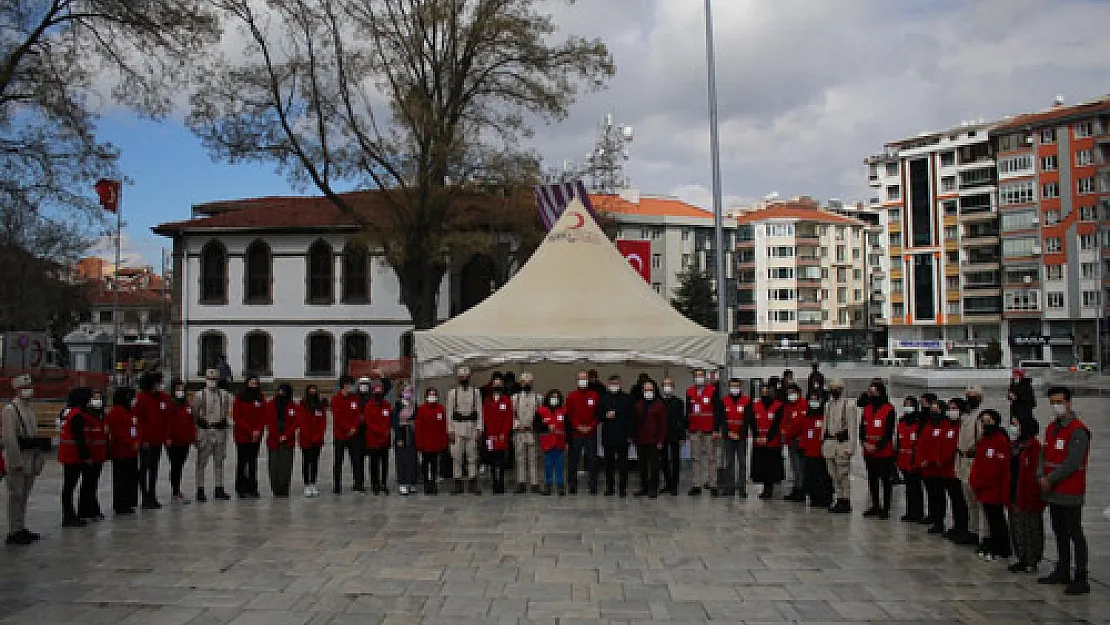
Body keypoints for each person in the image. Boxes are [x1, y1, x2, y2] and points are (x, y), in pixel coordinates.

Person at [1037, 386, 1091, 595]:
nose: (1056, 406)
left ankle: (1081, 575)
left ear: (1069, 403)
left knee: (1074, 533)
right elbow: (1044, 452)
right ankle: (1062, 569)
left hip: (1069, 490)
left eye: (1060, 402)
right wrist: (1041, 474)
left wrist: (1050, 479)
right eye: (1053, 402)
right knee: (1059, 531)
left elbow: (1072, 463)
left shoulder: (1078, 430)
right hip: (1052, 491)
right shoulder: (1052, 427)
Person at [3, 375, 45, 544]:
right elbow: (9, 439)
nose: (29, 389)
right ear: (17, 389)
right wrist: (15, 462)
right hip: (19, 457)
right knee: (16, 495)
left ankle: (21, 526)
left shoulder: (29, 408)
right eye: (25, 386)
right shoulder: (10, 410)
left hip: (30, 456)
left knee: (24, 495)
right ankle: (14, 530)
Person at [969, 408, 1011, 562]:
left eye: (989, 421)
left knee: (997, 519)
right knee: (990, 518)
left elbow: (999, 467)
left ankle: (1002, 547)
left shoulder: (1000, 440)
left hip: (994, 488)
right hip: (983, 487)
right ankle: (993, 544)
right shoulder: (984, 439)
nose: (986, 424)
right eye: (983, 421)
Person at [1008, 413, 1044, 574]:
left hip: (1028, 493)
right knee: (1016, 525)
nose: (1013, 427)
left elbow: (1035, 472)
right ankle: (1021, 557)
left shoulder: (1034, 446)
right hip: (1014, 489)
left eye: (1016, 424)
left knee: (1031, 527)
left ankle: (1032, 559)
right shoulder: (1014, 445)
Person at [191, 368, 233, 502]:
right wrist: (198, 426)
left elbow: (227, 410)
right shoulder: (199, 395)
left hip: (219, 430)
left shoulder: (224, 394)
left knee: (219, 461)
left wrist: (224, 422)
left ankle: (219, 487)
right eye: (210, 379)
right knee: (201, 462)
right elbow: (194, 413)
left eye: (214, 379)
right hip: (205, 431)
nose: (212, 382)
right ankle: (200, 488)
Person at [59, 388, 97, 527]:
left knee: (68, 487)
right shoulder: (77, 415)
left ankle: (68, 515)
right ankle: (69, 516)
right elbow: (79, 438)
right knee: (70, 486)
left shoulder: (67, 411)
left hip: (66, 452)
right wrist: (86, 456)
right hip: (73, 454)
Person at [859, 381, 896, 519]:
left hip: (883, 452)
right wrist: (864, 443)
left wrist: (877, 446)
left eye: (873, 391)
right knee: (872, 479)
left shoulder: (889, 409)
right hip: (869, 451)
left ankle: (886, 508)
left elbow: (888, 432)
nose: (871, 394)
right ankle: (875, 505)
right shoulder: (867, 409)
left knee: (885, 480)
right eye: (870, 391)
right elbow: (862, 428)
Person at [134, 372, 170, 509]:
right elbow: (138, 421)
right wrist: (142, 439)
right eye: (157, 383)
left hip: (157, 439)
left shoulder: (163, 398)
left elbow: (166, 419)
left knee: (154, 468)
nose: (160, 385)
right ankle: (145, 496)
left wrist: (166, 437)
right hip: (146, 440)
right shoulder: (141, 399)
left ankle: (152, 494)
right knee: (144, 468)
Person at [446, 366, 482, 495]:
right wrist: (450, 430)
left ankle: (473, 483)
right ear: (458, 378)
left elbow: (479, 411)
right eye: (462, 377)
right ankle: (458, 484)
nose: (464, 379)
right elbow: (449, 412)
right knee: (457, 457)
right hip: (457, 427)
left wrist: (479, 428)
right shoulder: (452, 393)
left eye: (466, 377)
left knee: (472, 457)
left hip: (471, 427)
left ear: (470, 377)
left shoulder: (475, 392)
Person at [958, 387, 985, 549]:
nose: (969, 399)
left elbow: (981, 439)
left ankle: (984, 534)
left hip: (973, 461)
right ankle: (972, 531)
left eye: (973, 397)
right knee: (969, 501)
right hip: (963, 461)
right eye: (968, 396)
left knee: (978, 501)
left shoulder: (980, 417)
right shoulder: (966, 416)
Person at [105, 386, 140, 515]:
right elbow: (118, 432)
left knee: (130, 477)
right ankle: (120, 504)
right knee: (121, 478)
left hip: (132, 450)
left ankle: (129, 501)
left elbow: (136, 427)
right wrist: (131, 442)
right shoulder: (115, 412)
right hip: (120, 450)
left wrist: (137, 441)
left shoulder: (130, 411)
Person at [598, 374, 634, 497]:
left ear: (620, 384)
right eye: (612, 383)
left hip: (623, 436)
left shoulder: (627, 398)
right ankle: (609, 487)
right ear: (608, 384)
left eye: (616, 383)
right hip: (608, 436)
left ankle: (622, 488)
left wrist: (630, 434)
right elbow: (598, 416)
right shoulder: (603, 398)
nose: (614, 385)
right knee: (609, 465)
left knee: (623, 465)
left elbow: (631, 418)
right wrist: (605, 416)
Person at [565, 370, 600, 495]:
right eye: (580, 378)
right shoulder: (571, 396)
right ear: (577, 381)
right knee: (573, 460)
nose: (583, 381)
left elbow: (597, 414)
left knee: (592, 460)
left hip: (591, 433)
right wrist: (578, 426)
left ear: (588, 380)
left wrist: (590, 426)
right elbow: (569, 415)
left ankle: (593, 484)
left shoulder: (594, 395)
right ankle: (572, 484)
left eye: (585, 378)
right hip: (576, 434)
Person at [822, 380, 854, 513]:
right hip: (830, 444)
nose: (834, 390)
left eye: (836, 388)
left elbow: (852, 428)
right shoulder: (828, 405)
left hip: (842, 444)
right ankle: (839, 498)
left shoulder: (849, 405)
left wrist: (851, 448)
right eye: (832, 388)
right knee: (833, 474)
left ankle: (845, 500)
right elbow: (825, 424)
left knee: (843, 474)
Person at [939, 398, 969, 541]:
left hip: (956, 468)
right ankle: (957, 525)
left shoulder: (962, 426)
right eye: (950, 408)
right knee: (953, 499)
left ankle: (963, 527)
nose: (951, 411)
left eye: (954, 408)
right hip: (945, 469)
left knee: (960, 500)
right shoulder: (946, 425)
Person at [685, 368, 718, 496]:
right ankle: (696, 485)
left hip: (709, 429)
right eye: (697, 375)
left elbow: (717, 410)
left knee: (711, 458)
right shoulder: (689, 391)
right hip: (694, 429)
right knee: (696, 458)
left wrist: (716, 429)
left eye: (701, 375)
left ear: (705, 377)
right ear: (694, 377)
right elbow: (688, 411)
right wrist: (688, 428)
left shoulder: (712, 390)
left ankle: (713, 484)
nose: (699, 377)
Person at [77, 388, 108, 521]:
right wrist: (86, 455)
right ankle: (86, 510)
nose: (97, 401)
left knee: (93, 483)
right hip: (90, 455)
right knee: (88, 483)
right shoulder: (86, 416)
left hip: (100, 454)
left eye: (99, 398)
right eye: (94, 398)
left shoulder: (102, 416)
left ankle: (92, 509)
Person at [797, 388, 832, 508]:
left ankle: (825, 497)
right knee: (810, 476)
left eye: (815, 400)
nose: (813, 402)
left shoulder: (824, 417)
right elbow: (802, 432)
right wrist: (802, 447)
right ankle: (813, 496)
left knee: (823, 476)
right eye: (811, 400)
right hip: (809, 451)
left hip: (821, 452)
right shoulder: (807, 417)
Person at [233, 375, 266, 499]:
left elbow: (264, 415)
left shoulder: (261, 397)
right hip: (242, 435)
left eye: (255, 383)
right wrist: (250, 430)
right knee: (242, 462)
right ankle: (241, 488)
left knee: (253, 462)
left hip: (256, 435)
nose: (253, 385)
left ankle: (252, 487)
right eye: (251, 383)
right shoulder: (240, 397)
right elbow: (237, 416)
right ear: (247, 383)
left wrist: (258, 430)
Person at [750, 383, 785, 499]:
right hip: (759, 441)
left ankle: (769, 489)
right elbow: (752, 422)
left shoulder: (778, 406)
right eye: (763, 391)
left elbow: (777, 424)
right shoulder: (755, 405)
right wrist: (757, 436)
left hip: (772, 442)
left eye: (767, 390)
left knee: (771, 467)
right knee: (761, 466)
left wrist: (767, 438)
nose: (765, 393)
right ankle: (764, 488)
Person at [330, 375, 363, 494]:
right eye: (348, 384)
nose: (350, 387)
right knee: (338, 461)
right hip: (340, 434)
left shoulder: (355, 398)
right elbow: (337, 417)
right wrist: (348, 428)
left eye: (351, 384)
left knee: (356, 459)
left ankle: (358, 484)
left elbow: (358, 414)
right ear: (343, 385)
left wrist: (354, 428)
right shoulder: (335, 399)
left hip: (353, 434)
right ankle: (337, 485)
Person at [165, 379, 197, 504]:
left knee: (180, 465)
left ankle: (177, 489)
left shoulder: (186, 405)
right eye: (178, 389)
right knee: (175, 465)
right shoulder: (170, 404)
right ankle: (175, 491)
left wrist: (192, 437)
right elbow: (167, 422)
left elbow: (191, 421)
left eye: (182, 389)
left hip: (185, 440)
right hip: (173, 441)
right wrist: (168, 437)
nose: (180, 392)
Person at [633, 380, 666, 498]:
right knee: (642, 466)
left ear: (654, 390)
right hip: (641, 440)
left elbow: (663, 425)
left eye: (650, 390)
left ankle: (653, 488)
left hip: (654, 441)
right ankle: (644, 487)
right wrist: (634, 438)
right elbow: (635, 423)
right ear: (642, 391)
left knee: (654, 466)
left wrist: (660, 441)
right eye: (646, 390)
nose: (648, 392)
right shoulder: (638, 404)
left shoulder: (659, 404)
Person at [717, 378, 750, 498]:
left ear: (740, 386)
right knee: (729, 463)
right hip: (728, 437)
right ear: (729, 387)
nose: (734, 388)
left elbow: (747, 420)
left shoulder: (746, 401)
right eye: (732, 386)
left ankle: (742, 487)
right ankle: (729, 487)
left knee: (742, 463)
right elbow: (722, 419)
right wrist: (728, 432)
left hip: (741, 438)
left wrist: (739, 434)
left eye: (736, 386)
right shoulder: (724, 401)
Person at [511, 372, 542, 494]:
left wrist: (536, 425)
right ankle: (521, 483)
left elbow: (541, 415)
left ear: (532, 383)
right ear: (521, 383)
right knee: (520, 458)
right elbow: (511, 415)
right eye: (524, 382)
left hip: (532, 432)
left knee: (533, 458)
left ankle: (534, 483)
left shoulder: (538, 397)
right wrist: (518, 425)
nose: (527, 383)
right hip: (519, 432)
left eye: (529, 382)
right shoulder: (515, 398)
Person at [895, 397, 925, 523]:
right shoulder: (901, 421)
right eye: (905, 404)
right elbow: (898, 440)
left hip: (914, 460)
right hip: (903, 458)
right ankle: (910, 511)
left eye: (910, 405)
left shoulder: (918, 422)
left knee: (916, 487)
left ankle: (918, 512)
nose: (908, 407)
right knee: (908, 487)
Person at [482, 378, 513, 494]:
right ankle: (494, 483)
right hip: (491, 436)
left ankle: (501, 483)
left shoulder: (506, 401)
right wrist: (491, 434)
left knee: (501, 461)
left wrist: (503, 433)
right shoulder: (487, 401)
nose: (497, 386)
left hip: (502, 437)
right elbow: (486, 418)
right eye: (495, 384)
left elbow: (508, 419)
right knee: (492, 461)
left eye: (499, 384)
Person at [415, 387, 448, 495]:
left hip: (436, 443)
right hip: (425, 443)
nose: (432, 397)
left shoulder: (441, 409)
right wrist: (419, 443)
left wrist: (443, 442)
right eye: (430, 395)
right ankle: (426, 484)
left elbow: (443, 427)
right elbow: (419, 428)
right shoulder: (421, 409)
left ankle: (433, 484)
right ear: (426, 397)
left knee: (434, 465)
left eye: (434, 395)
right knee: (425, 464)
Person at [363, 379, 392, 495]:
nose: (378, 394)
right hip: (373, 440)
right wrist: (381, 432)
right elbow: (369, 422)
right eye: (376, 392)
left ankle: (383, 484)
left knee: (384, 464)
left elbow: (388, 420)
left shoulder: (387, 405)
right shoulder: (369, 406)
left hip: (385, 440)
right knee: (374, 464)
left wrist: (385, 432)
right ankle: (374, 484)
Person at [536, 389, 568, 496]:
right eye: (552, 397)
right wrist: (546, 427)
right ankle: (548, 486)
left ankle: (560, 487)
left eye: (557, 397)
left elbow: (568, 427)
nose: (555, 399)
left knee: (559, 465)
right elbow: (536, 426)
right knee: (548, 465)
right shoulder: (541, 410)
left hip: (560, 443)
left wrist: (568, 442)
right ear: (548, 398)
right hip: (547, 443)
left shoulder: (564, 411)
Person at [659, 378, 687, 496]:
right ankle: (667, 483)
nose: (667, 387)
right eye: (665, 385)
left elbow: (682, 420)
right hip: (662, 435)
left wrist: (682, 436)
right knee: (664, 461)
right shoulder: (659, 401)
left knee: (675, 461)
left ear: (673, 387)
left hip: (675, 435)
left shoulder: (679, 402)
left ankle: (674, 486)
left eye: (669, 385)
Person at [299, 384, 327, 497]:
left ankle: (313, 484)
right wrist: (309, 436)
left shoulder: (320, 405)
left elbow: (323, 422)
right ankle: (306, 484)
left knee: (315, 461)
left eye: (314, 391)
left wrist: (318, 436)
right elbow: (302, 422)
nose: (312, 392)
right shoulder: (302, 405)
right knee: (306, 461)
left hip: (317, 439)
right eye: (310, 391)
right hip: (306, 439)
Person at [782, 383, 808, 502]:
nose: (790, 395)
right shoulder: (788, 407)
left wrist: (791, 433)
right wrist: (785, 434)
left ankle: (802, 489)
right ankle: (796, 488)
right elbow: (785, 422)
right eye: (788, 393)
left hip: (800, 440)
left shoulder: (804, 404)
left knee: (800, 466)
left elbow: (801, 423)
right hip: (791, 440)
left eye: (792, 393)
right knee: (794, 466)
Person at [393, 383, 419, 495]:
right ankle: (402, 483)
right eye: (406, 391)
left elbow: (417, 419)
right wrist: (398, 438)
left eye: (410, 391)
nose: (408, 393)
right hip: (402, 434)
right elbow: (395, 423)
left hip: (412, 433)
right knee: (402, 459)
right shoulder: (397, 405)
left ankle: (412, 482)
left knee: (412, 459)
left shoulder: (414, 405)